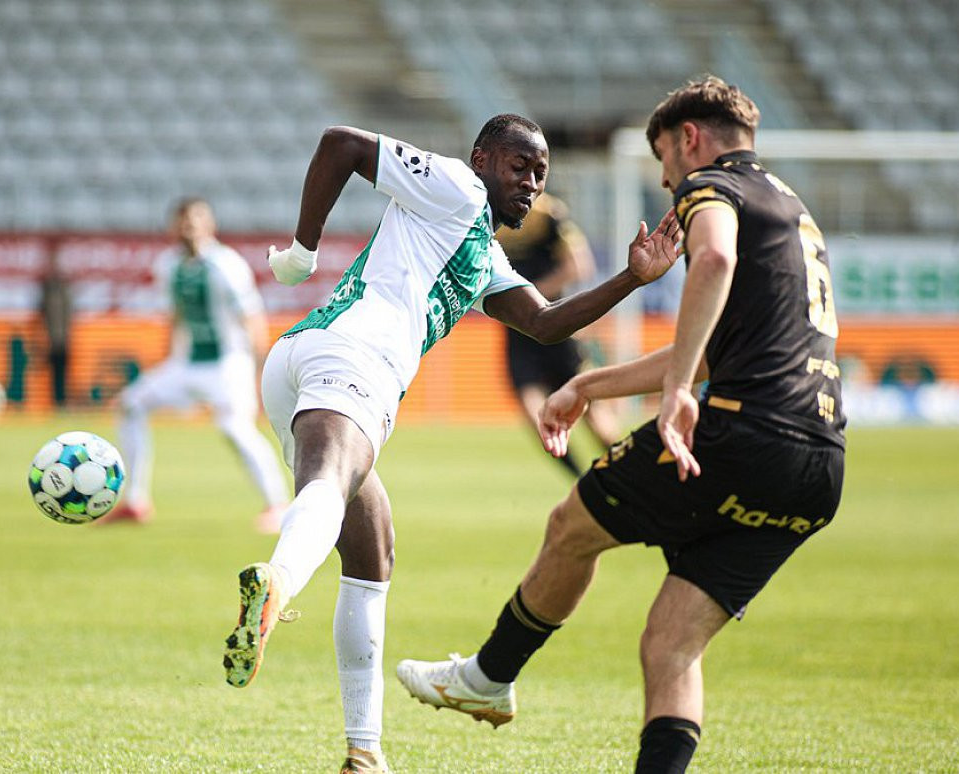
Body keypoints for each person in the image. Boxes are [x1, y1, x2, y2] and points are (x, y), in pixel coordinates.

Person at [395, 77, 846, 774]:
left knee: (571, 527)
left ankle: (487, 677)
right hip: (816, 467)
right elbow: (718, 345)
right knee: (670, 643)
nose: (666, 179)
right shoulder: (792, 210)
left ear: (688, 139)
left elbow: (715, 260)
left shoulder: (709, 187)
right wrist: (589, 384)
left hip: (744, 433)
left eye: (664, 159)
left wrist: (672, 395)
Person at [220, 115, 681, 773]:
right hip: (354, 360)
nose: (531, 183)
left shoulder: (485, 253)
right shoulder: (459, 188)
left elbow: (546, 324)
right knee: (329, 484)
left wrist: (632, 278)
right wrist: (302, 250)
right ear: (483, 158)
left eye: (540, 173)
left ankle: (364, 752)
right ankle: (278, 581)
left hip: (301, 362)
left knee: (371, 543)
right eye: (519, 166)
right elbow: (341, 145)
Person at [106, 197, 289, 531]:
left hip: (228, 363)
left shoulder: (226, 264)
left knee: (235, 429)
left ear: (210, 225)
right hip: (187, 363)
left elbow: (251, 316)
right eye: (183, 219)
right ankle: (136, 501)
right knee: (130, 404)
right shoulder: (168, 264)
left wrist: (259, 370)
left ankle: (277, 506)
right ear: (173, 226)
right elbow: (174, 317)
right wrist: (165, 364)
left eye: (197, 218)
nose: (189, 225)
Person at [494, 191, 621, 476]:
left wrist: (530, 299)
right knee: (536, 417)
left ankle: (635, 475)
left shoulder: (548, 214)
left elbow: (579, 265)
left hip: (555, 326)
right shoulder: (489, 214)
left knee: (596, 419)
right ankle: (583, 484)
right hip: (517, 335)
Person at [39, 250, 73, 410]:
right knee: (54, 373)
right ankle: (56, 402)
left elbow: (69, 313)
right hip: (52, 338)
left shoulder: (63, 288)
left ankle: (62, 402)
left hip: (63, 338)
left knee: (63, 372)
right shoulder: (46, 289)